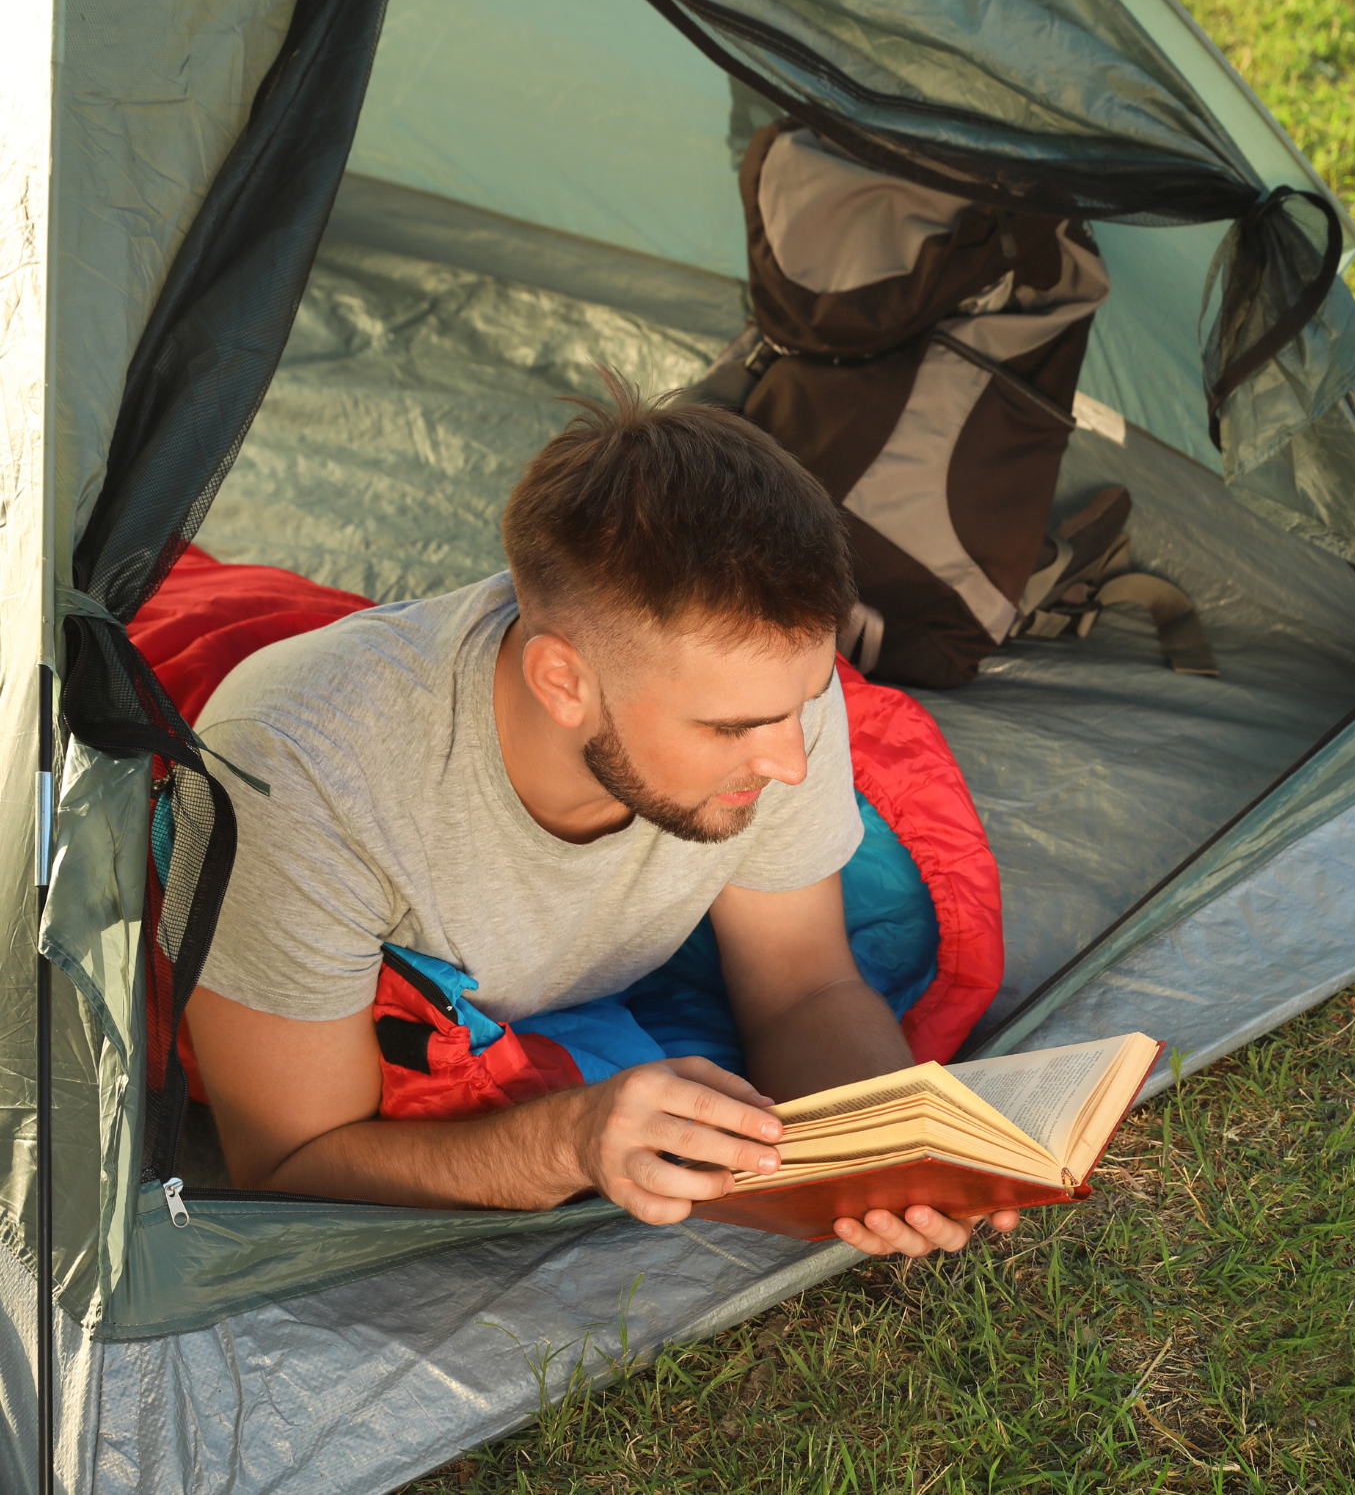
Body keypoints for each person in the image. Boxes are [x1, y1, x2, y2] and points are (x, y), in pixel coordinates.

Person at [180, 375, 1017, 1259]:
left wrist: (893, 1156)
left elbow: (806, 985)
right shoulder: (298, 777)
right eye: (732, 727)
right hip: (192, 686)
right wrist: (570, 1139)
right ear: (563, 683)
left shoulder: (763, 691)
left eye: (804, 703)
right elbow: (284, 1162)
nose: (791, 763)